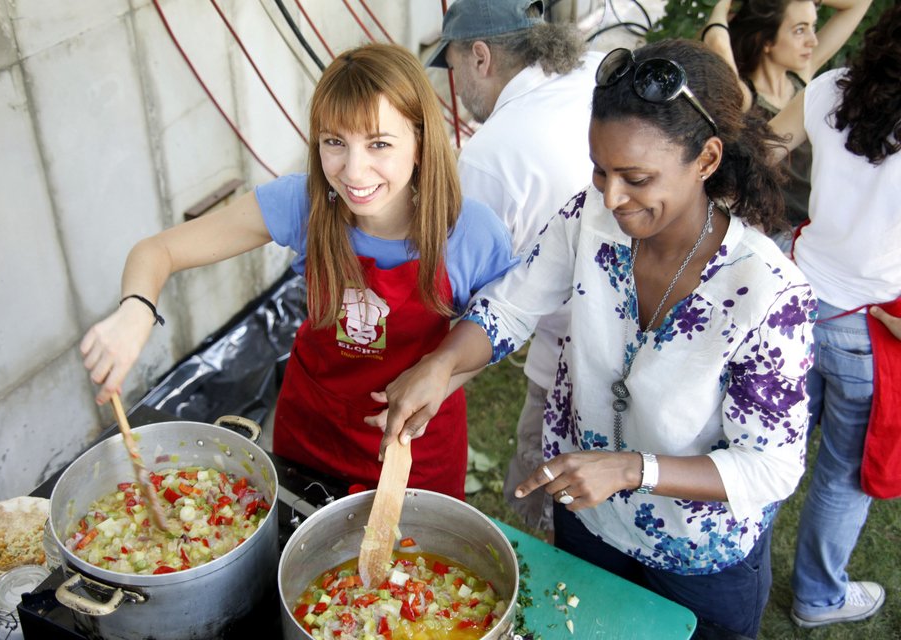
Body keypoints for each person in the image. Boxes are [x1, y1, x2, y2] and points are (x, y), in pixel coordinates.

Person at [376, 39, 817, 637]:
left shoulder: (767, 293)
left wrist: (634, 469)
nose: (612, 197)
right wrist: (442, 362)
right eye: (600, 169)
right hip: (590, 520)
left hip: (695, 559)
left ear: (707, 159)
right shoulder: (591, 217)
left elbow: (770, 466)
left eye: (636, 178)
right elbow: (510, 306)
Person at [79, 42, 518, 501]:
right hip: (312, 430)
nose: (354, 170)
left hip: (416, 444)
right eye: (335, 143)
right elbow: (157, 251)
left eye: (380, 144)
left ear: (421, 143)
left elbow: (501, 330)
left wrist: (442, 377)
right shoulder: (303, 202)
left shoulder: (471, 231)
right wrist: (136, 310)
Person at [426, 0, 603, 535]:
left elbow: (463, 296)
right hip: (628, 349)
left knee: (546, 514)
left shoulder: (489, 155)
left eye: (453, 67)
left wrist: (437, 370)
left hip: (567, 372)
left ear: (480, 56)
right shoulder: (595, 69)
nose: (455, 85)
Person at [769, 4, 900, 627]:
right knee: (841, 475)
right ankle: (819, 597)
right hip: (869, 323)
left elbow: (765, 144)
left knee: (769, 446)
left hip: (795, 298)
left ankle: (736, 558)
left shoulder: (832, 89)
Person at [701, 0, 872, 236]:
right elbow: (718, 44)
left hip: (825, 224)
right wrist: (721, 5)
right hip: (780, 235)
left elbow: (859, 4)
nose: (812, 40)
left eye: (813, 27)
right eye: (800, 30)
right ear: (766, 40)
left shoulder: (802, 80)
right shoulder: (744, 96)